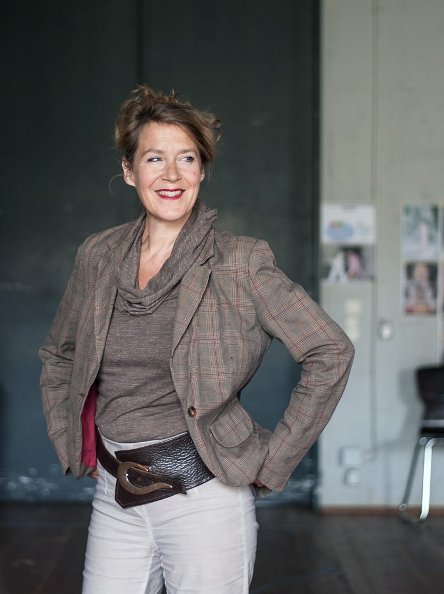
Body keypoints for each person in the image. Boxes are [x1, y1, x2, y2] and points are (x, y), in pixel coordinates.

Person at [39, 85, 354, 594]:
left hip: (206, 496)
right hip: (114, 494)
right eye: (154, 158)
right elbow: (60, 355)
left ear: (202, 170)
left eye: (186, 158)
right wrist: (71, 440)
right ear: (129, 170)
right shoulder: (97, 255)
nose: (171, 174)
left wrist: (274, 460)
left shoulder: (241, 262)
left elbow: (331, 350)